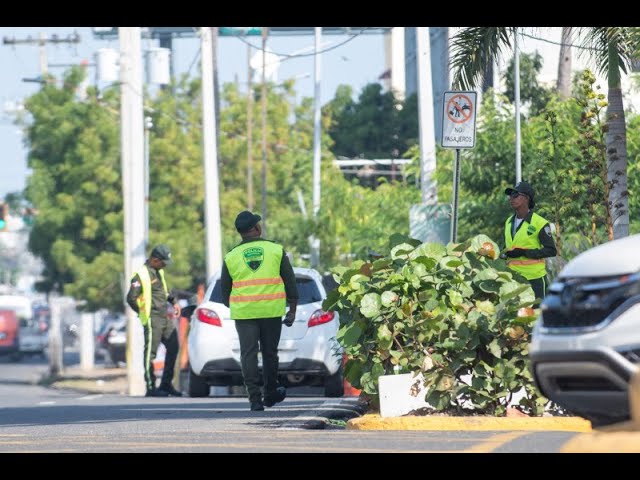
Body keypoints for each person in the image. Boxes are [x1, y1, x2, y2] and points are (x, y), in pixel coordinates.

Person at [221, 211, 299, 412]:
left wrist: (240, 305)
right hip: (271, 311)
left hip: (245, 313)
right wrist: (292, 310)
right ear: (257, 228)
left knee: (248, 354)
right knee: (270, 353)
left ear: (240, 233)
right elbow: (290, 282)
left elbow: (224, 293)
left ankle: (255, 400)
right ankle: (271, 393)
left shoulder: (231, 257)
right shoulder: (275, 250)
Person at [126, 244, 183, 397]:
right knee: (150, 353)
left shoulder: (159, 272)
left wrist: (174, 302)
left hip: (165, 317)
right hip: (153, 319)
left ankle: (166, 385)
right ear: (155, 260)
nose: (165, 265)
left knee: (174, 347)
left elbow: (165, 291)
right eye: (163, 262)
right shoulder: (141, 275)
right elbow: (131, 298)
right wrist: (144, 313)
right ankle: (151, 387)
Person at [501, 181, 557, 302]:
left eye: (515, 195)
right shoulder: (508, 222)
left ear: (526, 198)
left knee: (536, 316)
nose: (511, 198)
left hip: (534, 279)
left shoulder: (540, 223)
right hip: (512, 279)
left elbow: (551, 250)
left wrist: (524, 252)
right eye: (510, 195)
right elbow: (506, 247)